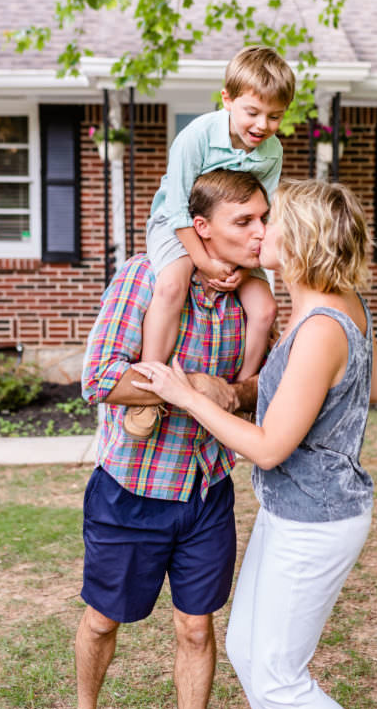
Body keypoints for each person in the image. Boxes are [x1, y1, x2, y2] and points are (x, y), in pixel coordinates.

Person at [133, 180, 377, 709]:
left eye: (272, 221)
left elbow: (272, 448)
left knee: (278, 673)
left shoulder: (319, 329)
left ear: (298, 241)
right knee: (250, 652)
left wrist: (190, 398)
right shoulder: (336, 305)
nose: (260, 230)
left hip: (317, 520)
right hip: (297, 511)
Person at [58, 169, 268, 709]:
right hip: (130, 493)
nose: (261, 232)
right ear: (201, 227)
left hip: (205, 490)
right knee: (100, 620)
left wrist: (229, 393)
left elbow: (264, 387)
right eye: (246, 222)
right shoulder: (145, 277)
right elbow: (98, 378)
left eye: (265, 218)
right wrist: (192, 385)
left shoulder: (253, 299)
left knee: (197, 627)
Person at [123, 45, 295, 439]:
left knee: (266, 308)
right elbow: (180, 210)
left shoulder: (272, 152)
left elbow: (260, 213)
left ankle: (242, 391)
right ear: (228, 99)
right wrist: (202, 261)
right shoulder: (196, 136)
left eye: (275, 116)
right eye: (252, 112)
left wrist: (238, 265)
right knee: (170, 284)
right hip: (178, 224)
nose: (262, 125)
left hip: (235, 235)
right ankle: (150, 387)